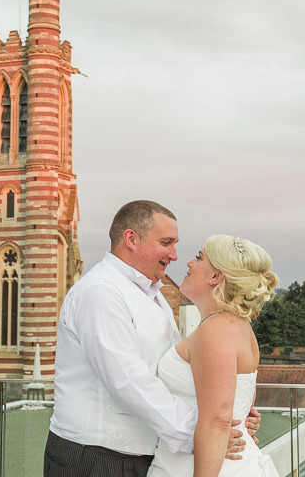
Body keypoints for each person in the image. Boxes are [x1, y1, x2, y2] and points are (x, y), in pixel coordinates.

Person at [44, 201, 257, 477]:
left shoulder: (153, 295)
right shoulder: (100, 292)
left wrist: (233, 415)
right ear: (131, 239)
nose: (175, 255)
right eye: (166, 243)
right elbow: (127, 380)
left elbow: (180, 373)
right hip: (94, 459)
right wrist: (200, 429)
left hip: (145, 457)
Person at [148, 234, 280, 477]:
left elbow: (218, 421)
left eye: (199, 258)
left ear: (216, 276)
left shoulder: (217, 330)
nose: (189, 263)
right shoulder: (237, 325)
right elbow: (241, 404)